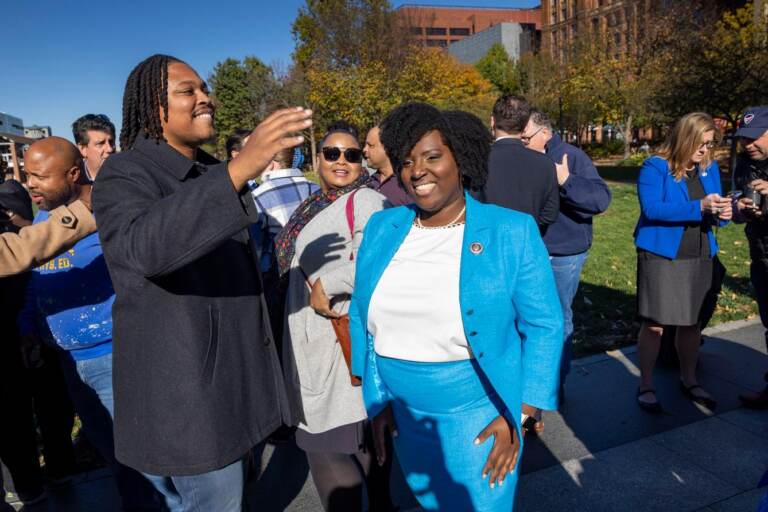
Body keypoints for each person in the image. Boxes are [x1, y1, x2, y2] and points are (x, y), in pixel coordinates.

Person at [92, 54, 309, 512]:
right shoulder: (124, 172)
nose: (205, 97)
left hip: (234, 389)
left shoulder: (209, 172)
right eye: (187, 91)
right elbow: (142, 249)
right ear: (154, 108)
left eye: (204, 88)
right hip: (191, 404)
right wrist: (237, 170)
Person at [350, 103, 564, 511]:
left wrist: (519, 414)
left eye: (432, 157)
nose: (417, 171)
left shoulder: (510, 231)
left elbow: (545, 325)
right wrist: (377, 402)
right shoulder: (383, 227)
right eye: (408, 161)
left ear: (460, 159)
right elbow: (364, 316)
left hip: (479, 417)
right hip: (407, 419)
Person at [17, 137, 164, 511]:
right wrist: (28, 326)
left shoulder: (110, 212)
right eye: (27, 175)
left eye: (39, 176)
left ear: (71, 173)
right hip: (69, 361)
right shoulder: (43, 217)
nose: (30, 184)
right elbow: (37, 278)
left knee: (147, 461)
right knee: (115, 455)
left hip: (115, 357)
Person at [275, 121, 393, 511]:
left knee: (328, 451)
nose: (341, 161)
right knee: (358, 449)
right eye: (332, 153)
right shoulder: (313, 204)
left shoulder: (365, 200)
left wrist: (333, 283)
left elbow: (379, 260)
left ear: (362, 162)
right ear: (317, 158)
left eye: (352, 154)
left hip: (337, 346)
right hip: (317, 346)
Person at [634, 112, 732, 413]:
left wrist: (724, 213)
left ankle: (689, 378)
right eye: (700, 143)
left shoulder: (708, 168)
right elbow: (652, 208)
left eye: (709, 144)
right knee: (655, 324)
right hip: (663, 255)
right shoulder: (655, 166)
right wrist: (698, 206)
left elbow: (713, 208)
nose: (704, 151)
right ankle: (646, 383)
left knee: (692, 323)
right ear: (684, 137)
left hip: (700, 253)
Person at [520, 110, 611, 426]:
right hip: (529, 252)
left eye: (525, 137)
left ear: (545, 132)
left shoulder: (572, 157)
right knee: (526, 319)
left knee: (556, 318)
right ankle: (530, 390)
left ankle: (551, 388)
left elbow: (600, 201)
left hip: (563, 255)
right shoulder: (524, 158)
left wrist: (565, 180)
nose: (521, 143)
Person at [0, 179, 76, 508]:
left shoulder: (19, 233)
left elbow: (29, 267)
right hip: (17, 337)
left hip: (31, 336)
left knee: (43, 411)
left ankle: (44, 478)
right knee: (17, 419)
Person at [476, 94, 559, 232]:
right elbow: (550, 214)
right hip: (526, 240)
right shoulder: (545, 163)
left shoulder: (479, 160)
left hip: (488, 239)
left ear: (492, 121)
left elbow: (471, 207)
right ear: (526, 126)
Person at [732, 106, 768, 408]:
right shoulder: (743, 163)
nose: (749, 144)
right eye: (744, 138)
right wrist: (742, 208)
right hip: (762, 255)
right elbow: (735, 200)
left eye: (755, 137)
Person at [364, 124, 412, 205]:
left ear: (387, 148)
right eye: (365, 145)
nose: (364, 149)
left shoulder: (407, 183)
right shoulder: (368, 182)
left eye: (370, 145)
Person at [72, 114, 116, 180]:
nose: (110, 149)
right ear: (82, 149)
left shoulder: (127, 176)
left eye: (111, 142)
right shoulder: (74, 183)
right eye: (100, 143)